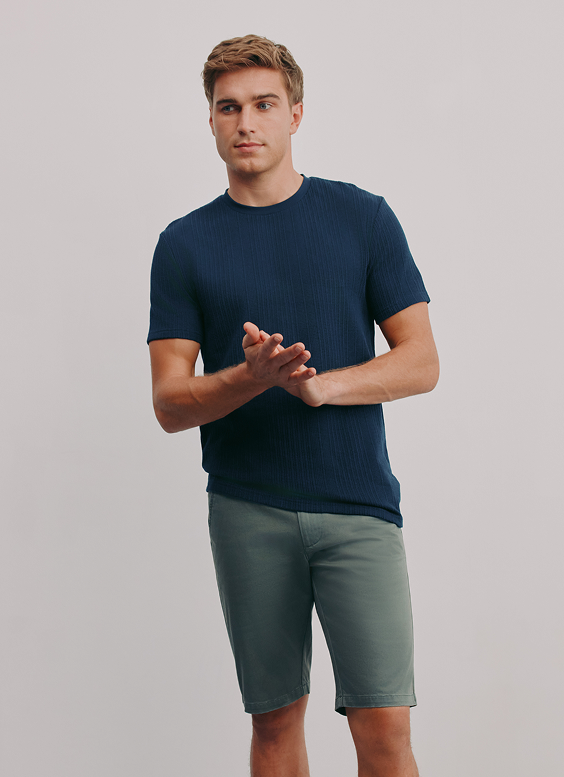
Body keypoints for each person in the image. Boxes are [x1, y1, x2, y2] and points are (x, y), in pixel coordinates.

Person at [147, 33, 439, 777]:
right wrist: (250, 377)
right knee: (276, 725)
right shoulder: (184, 244)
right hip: (248, 509)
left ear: (296, 114)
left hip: (358, 506)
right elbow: (171, 404)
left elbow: (422, 361)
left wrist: (319, 385)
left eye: (263, 104)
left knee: (384, 729)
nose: (246, 121)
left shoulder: (363, 218)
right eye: (229, 107)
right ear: (210, 121)